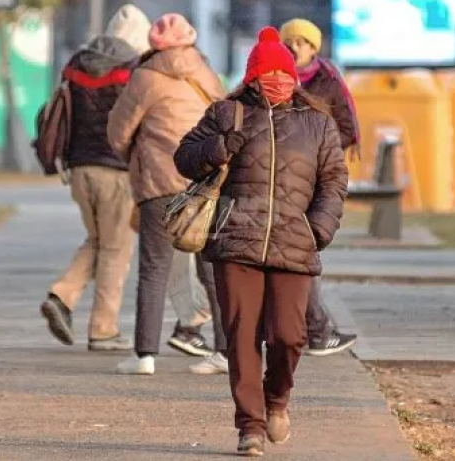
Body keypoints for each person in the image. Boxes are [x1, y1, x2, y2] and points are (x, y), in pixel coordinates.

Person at [174, 27, 348, 456]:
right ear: (252, 77)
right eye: (267, 74)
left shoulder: (317, 124)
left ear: (294, 78)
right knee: (241, 335)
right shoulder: (226, 114)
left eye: (283, 74)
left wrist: (319, 228)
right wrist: (220, 146)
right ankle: (249, 426)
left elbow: (334, 181)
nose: (277, 81)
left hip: (294, 244)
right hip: (236, 242)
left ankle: (277, 400)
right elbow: (184, 158)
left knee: (289, 335)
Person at [108, 13, 227, 375]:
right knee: (213, 268)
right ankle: (225, 351)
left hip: (158, 182)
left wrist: (134, 154)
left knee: (154, 269)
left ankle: (145, 355)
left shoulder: (144, 77)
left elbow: (117, 131)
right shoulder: (207, 73)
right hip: (203, 184)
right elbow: (225, 120)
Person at [38, 35, 140, 351]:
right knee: (115, 249)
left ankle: (62, 295)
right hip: (116, 172)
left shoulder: (75, 65)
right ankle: (103, 329)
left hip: (79, 168)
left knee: (98, 241)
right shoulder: (132, 69)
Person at [279, 18, 359, 356]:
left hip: (313, 177)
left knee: (302, 250)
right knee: (298, 252)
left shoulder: (328, 82)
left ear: (314, 48)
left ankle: (313, 328)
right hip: (279, 175)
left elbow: (348, 128)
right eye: (291, 42)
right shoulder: (272, 78)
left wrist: (316, 143)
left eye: (303, 42)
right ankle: (314, 330)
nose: (296, 47)